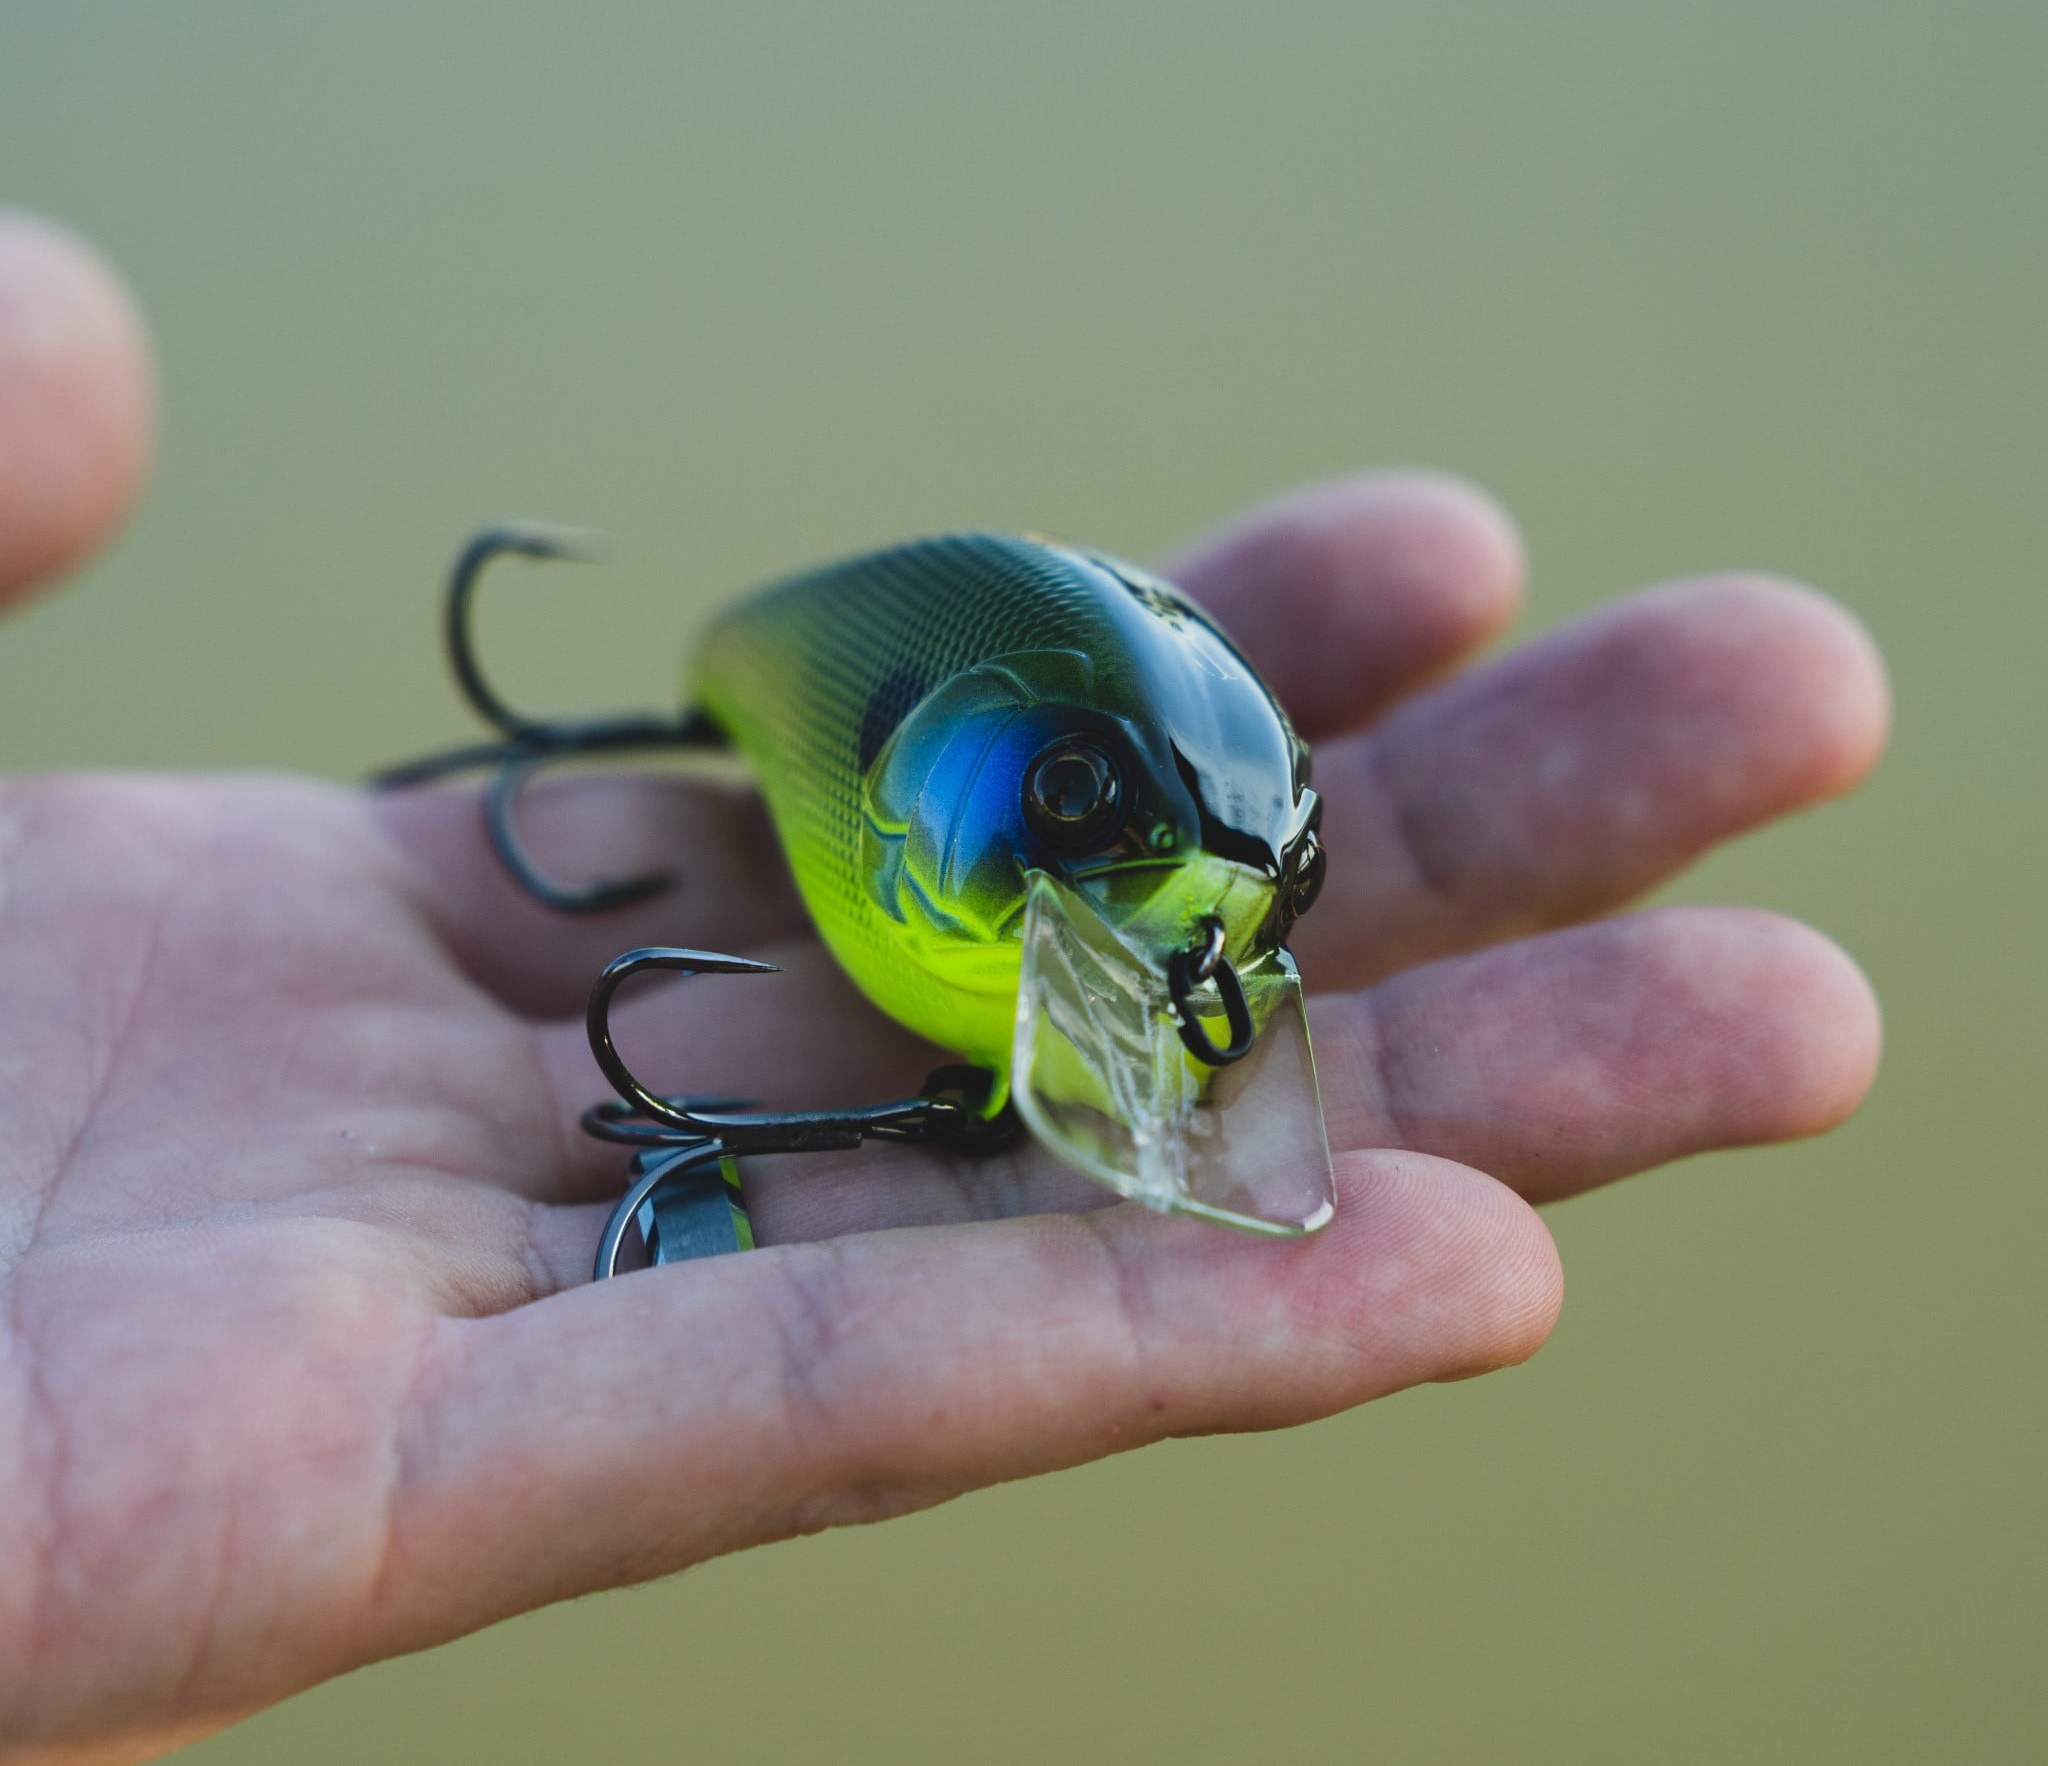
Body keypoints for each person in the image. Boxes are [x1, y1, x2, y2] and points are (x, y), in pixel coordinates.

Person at [0, 210, 1887, 1763]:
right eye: (1080, 811)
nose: (1207, 936)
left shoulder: (1187, 882)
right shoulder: (925, 741)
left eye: (1272, 884)